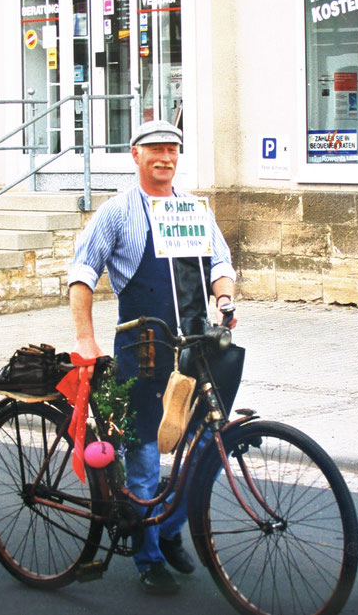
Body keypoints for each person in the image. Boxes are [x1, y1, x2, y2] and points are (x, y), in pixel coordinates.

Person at [68, 120, 237, 595]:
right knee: (144, 459)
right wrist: (85, 338)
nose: (165, 157)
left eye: (173, 150)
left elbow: (220, 262)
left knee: (207, 445)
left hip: (192, 349)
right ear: (135, 155)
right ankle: (148, 555)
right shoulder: (117, 213)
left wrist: (224, 301)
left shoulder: (192, 210)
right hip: (141, 351)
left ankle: (165, 527)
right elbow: (82, 273)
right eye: (155, 149)